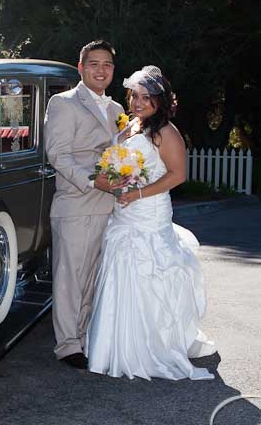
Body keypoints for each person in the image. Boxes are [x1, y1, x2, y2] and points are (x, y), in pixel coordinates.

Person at [86, 65, 216, 380]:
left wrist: (139, 192)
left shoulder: (166, 132)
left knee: (150, 274)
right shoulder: (127, 128)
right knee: (120, 271)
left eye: (146, 97)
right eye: (134, 96)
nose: (138, 102)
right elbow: (112, 167)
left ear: (160, 100)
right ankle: (114, 345)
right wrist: (115, 183)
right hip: (124, 212)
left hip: (151, 213)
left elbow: (178, 175)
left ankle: (153, 345)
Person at [43, 40, 125, 369]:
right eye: (94, 63)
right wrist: (93, 181)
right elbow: (58, 155)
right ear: (81, 67)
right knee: (70, 278)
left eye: (107, 64)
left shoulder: (118, 110)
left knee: (93, 278)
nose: (100, 70)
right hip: (76, 203)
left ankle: (83, 335)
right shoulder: (63, 103)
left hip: (109, 206)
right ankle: (67, 346)